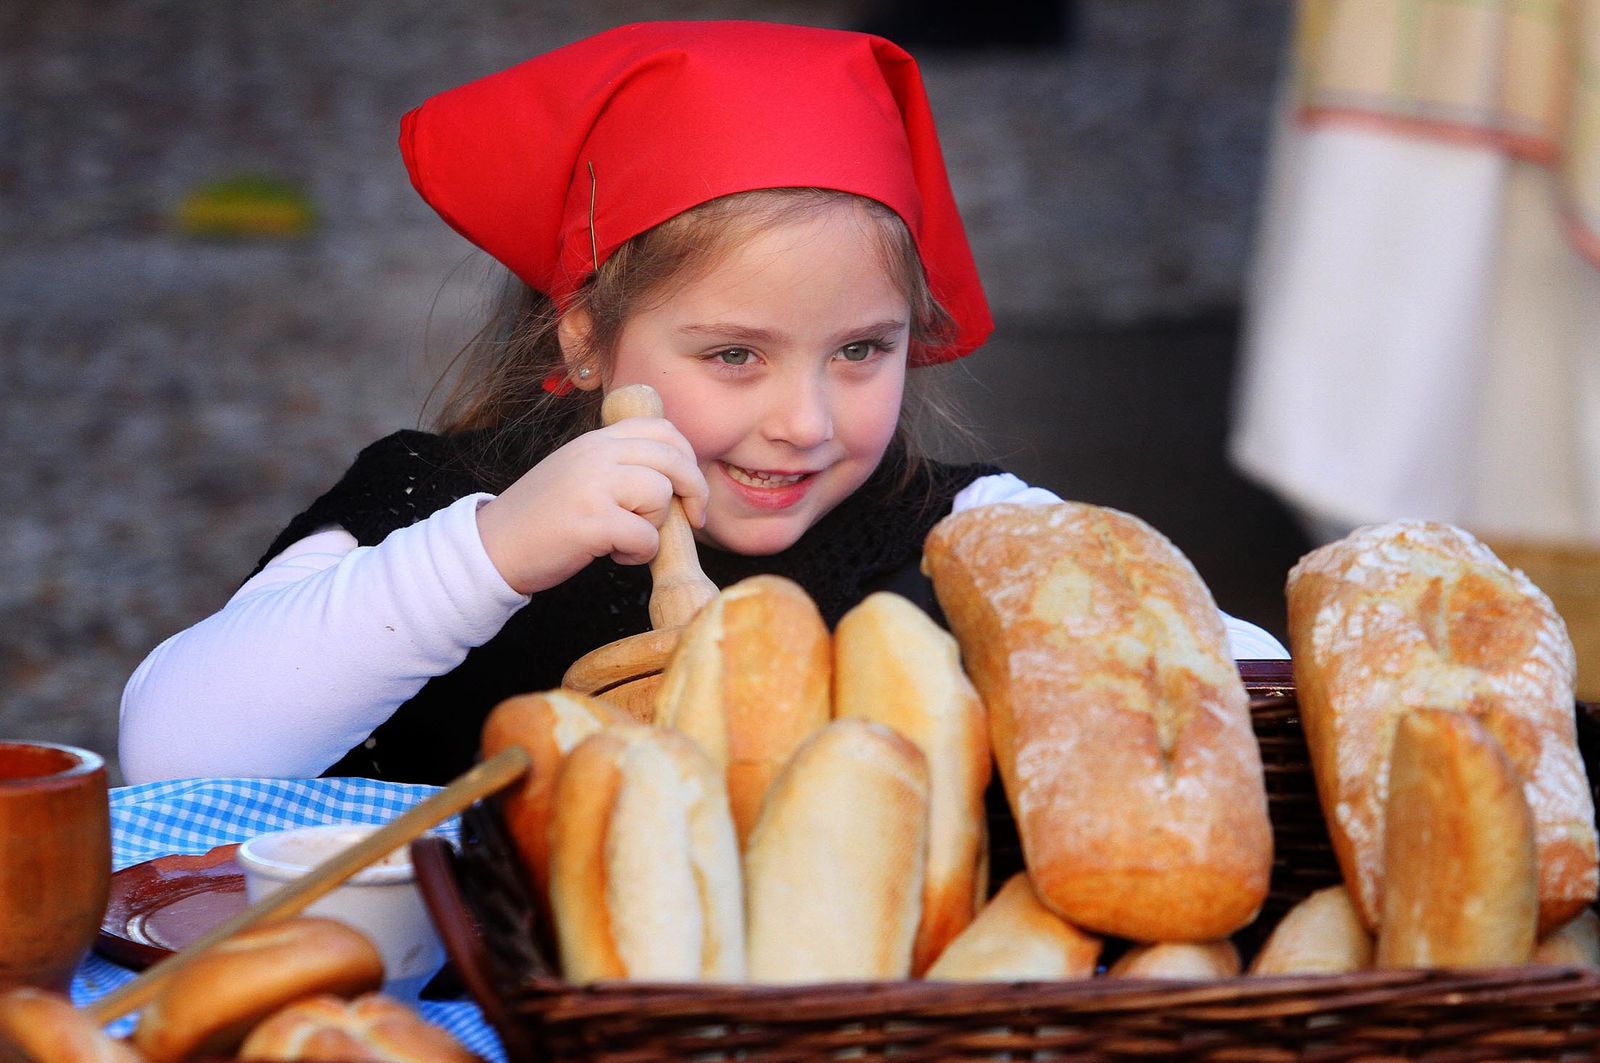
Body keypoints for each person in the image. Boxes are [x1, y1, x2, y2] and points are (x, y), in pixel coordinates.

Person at [119, 20, 1285, 787]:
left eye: (861, 351)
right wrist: (493, 554)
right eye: (735, 355)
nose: (806, 421)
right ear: (584, 335)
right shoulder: (448, 503)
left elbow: (1255, 693)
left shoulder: (960, 532)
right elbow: (172, 755)